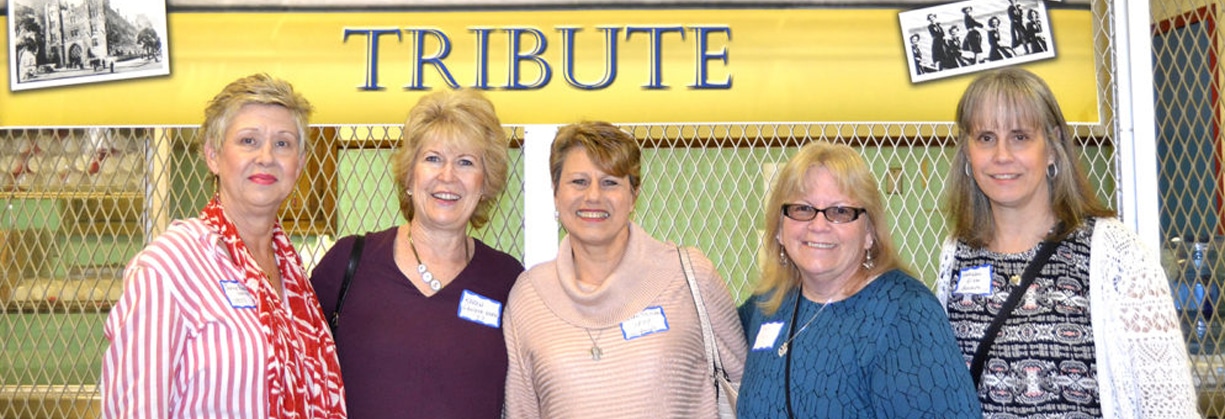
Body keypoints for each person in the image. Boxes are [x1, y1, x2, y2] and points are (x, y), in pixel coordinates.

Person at [937, 67, 1200, 418]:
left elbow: (1169, 407)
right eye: (986, 137)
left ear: (1052, 147)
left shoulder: (1116, 255)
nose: (1002, 155)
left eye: (1019, 136)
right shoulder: (958, 253)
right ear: (967, 151)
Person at [101, 74, 346, 418]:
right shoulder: (169, 267)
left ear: (300, 163)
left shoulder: (295, 278)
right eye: (248, 140)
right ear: (213, 156)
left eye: (283, 143)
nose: (266, 157)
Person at [503, 121, 746, 418]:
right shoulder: (529, 297)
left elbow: (750, 394)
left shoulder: (691, 276)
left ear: (633, 195)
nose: (593, 196)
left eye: (610, 182)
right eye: (579, 181)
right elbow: (521, 411)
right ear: (556, 193)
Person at [309, 89, 523, 418]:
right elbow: (295, 367)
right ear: (409, 175)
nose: (447, 176)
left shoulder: (506, 280)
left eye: (465, 162)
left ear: (485, 184)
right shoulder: (348, 263)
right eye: (433, 159)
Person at [736, 141, 981, 418]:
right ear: (779, 228)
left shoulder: (906, 315)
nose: (818, 225)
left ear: (869, 233)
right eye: (802, 208)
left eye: (840, 211)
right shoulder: (768, 305)